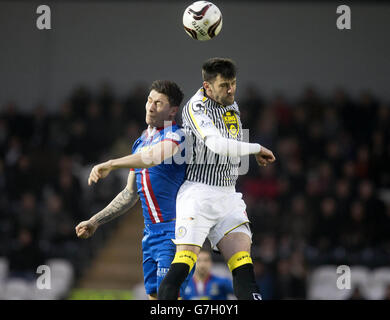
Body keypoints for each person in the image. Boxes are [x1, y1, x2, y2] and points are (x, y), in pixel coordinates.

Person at [158, 58, 276, 300]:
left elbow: (231, 147)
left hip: (228, 195)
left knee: (244, 269)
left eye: (233, 83)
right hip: (198, 195)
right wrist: (255, 148)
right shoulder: (195, 107)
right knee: (180, 268)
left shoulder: (233, 105)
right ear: (208, 86)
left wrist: (250, 154)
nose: (231, 89)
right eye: (224, 85)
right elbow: (216, 144)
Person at [75, 80, 193, 300]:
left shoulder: (178, 136)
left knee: (170, 299)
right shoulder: (140, 143)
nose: (150, 107)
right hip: (150, 235)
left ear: (173, 111)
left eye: (159, 103)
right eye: (149, 100)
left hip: (176, 233)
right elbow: (130, 194)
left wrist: (111, 163)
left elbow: (153, 158)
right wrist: (95, 221)